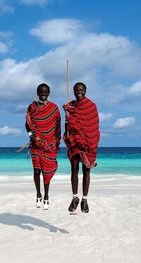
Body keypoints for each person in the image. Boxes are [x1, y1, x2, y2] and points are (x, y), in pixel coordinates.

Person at [63, 82, 100, 213]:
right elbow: (68, 123)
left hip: (88, 141)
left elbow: (93, 125)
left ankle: (85, 200)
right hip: (74, 141)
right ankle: (75, 198)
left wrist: (92, 140)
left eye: (81, 90)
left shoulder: (91, 106)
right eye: (76, 90)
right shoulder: (71, 105)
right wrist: (68, 115)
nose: (79, 92)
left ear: (85, 91)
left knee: (86, 171)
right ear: (73, 91)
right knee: (74, 169)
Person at [25, 83, 61, 210]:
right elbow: (27, 124)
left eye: (45, 92)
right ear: (38, 93)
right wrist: (30, 135)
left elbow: (58, 127)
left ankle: (46, 195)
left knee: (47, 172)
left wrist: (57, 142)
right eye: (41, 92)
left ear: (49, 93)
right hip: (35, 144)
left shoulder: (54, 108)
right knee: (36, 171)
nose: (43, 94)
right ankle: (38, 194)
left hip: (49, 145)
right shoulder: (32, 107)